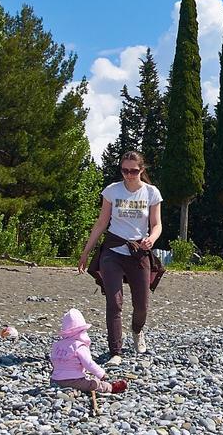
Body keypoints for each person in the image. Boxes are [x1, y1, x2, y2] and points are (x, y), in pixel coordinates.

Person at [78, 150, 163, 366]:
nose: (128, 175)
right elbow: (101, 223)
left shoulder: (151, 193)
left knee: (141, 304)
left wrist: (151, 239)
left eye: (133, 171)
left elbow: (157, 224)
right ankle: (115, 351)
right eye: (124, 170)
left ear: (141, 170)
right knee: (114, 303)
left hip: (139, 252)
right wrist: (86, 252)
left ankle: (137, 331)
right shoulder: (112, 191)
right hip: (113, 250)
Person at [50, 308, 127, 394]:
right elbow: (88, 363)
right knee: (94, 384)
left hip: (55, 380)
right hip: (73, 381)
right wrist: (101, 374)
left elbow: (54, 361)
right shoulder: (79, 346)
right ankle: (111, 388)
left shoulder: (57, 345)